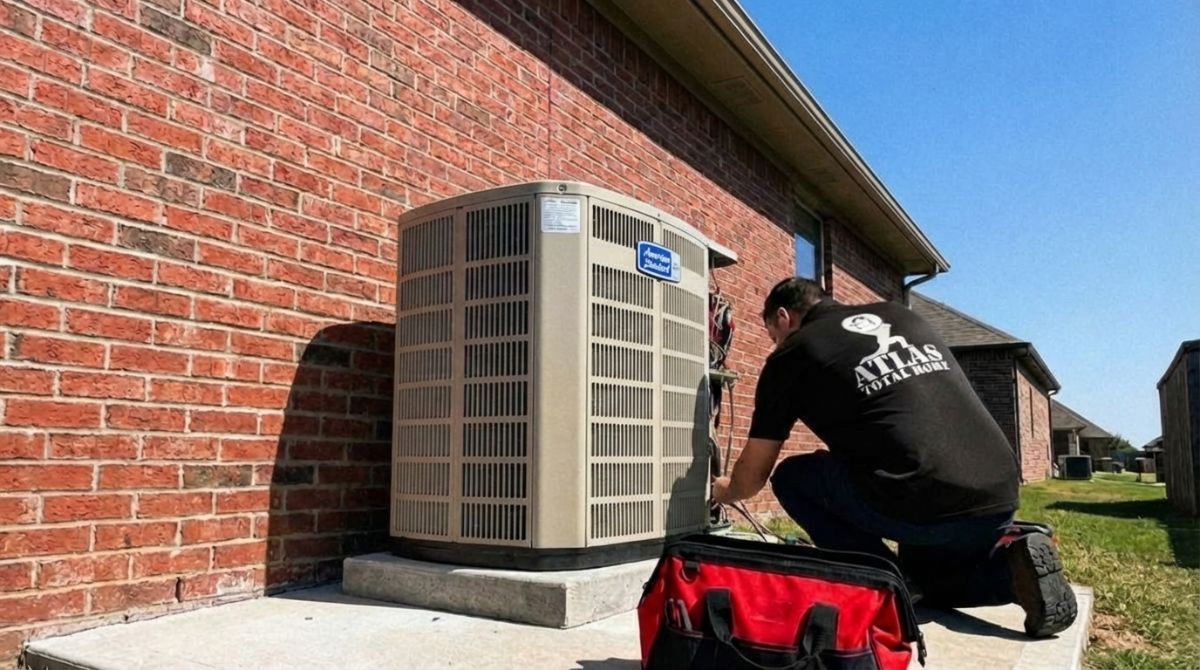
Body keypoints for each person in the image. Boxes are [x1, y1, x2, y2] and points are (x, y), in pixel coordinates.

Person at [710, 278, 1077, 638]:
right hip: (999, 494)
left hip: (917, 502)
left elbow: (752, 476)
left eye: (773, 334)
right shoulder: (903, 317)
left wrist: (721, 492)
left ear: (784, 317)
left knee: (792, 478)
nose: (775, 343)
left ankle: (884, 579)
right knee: (929, 580)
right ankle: (1010, 569)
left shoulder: (792, 354)